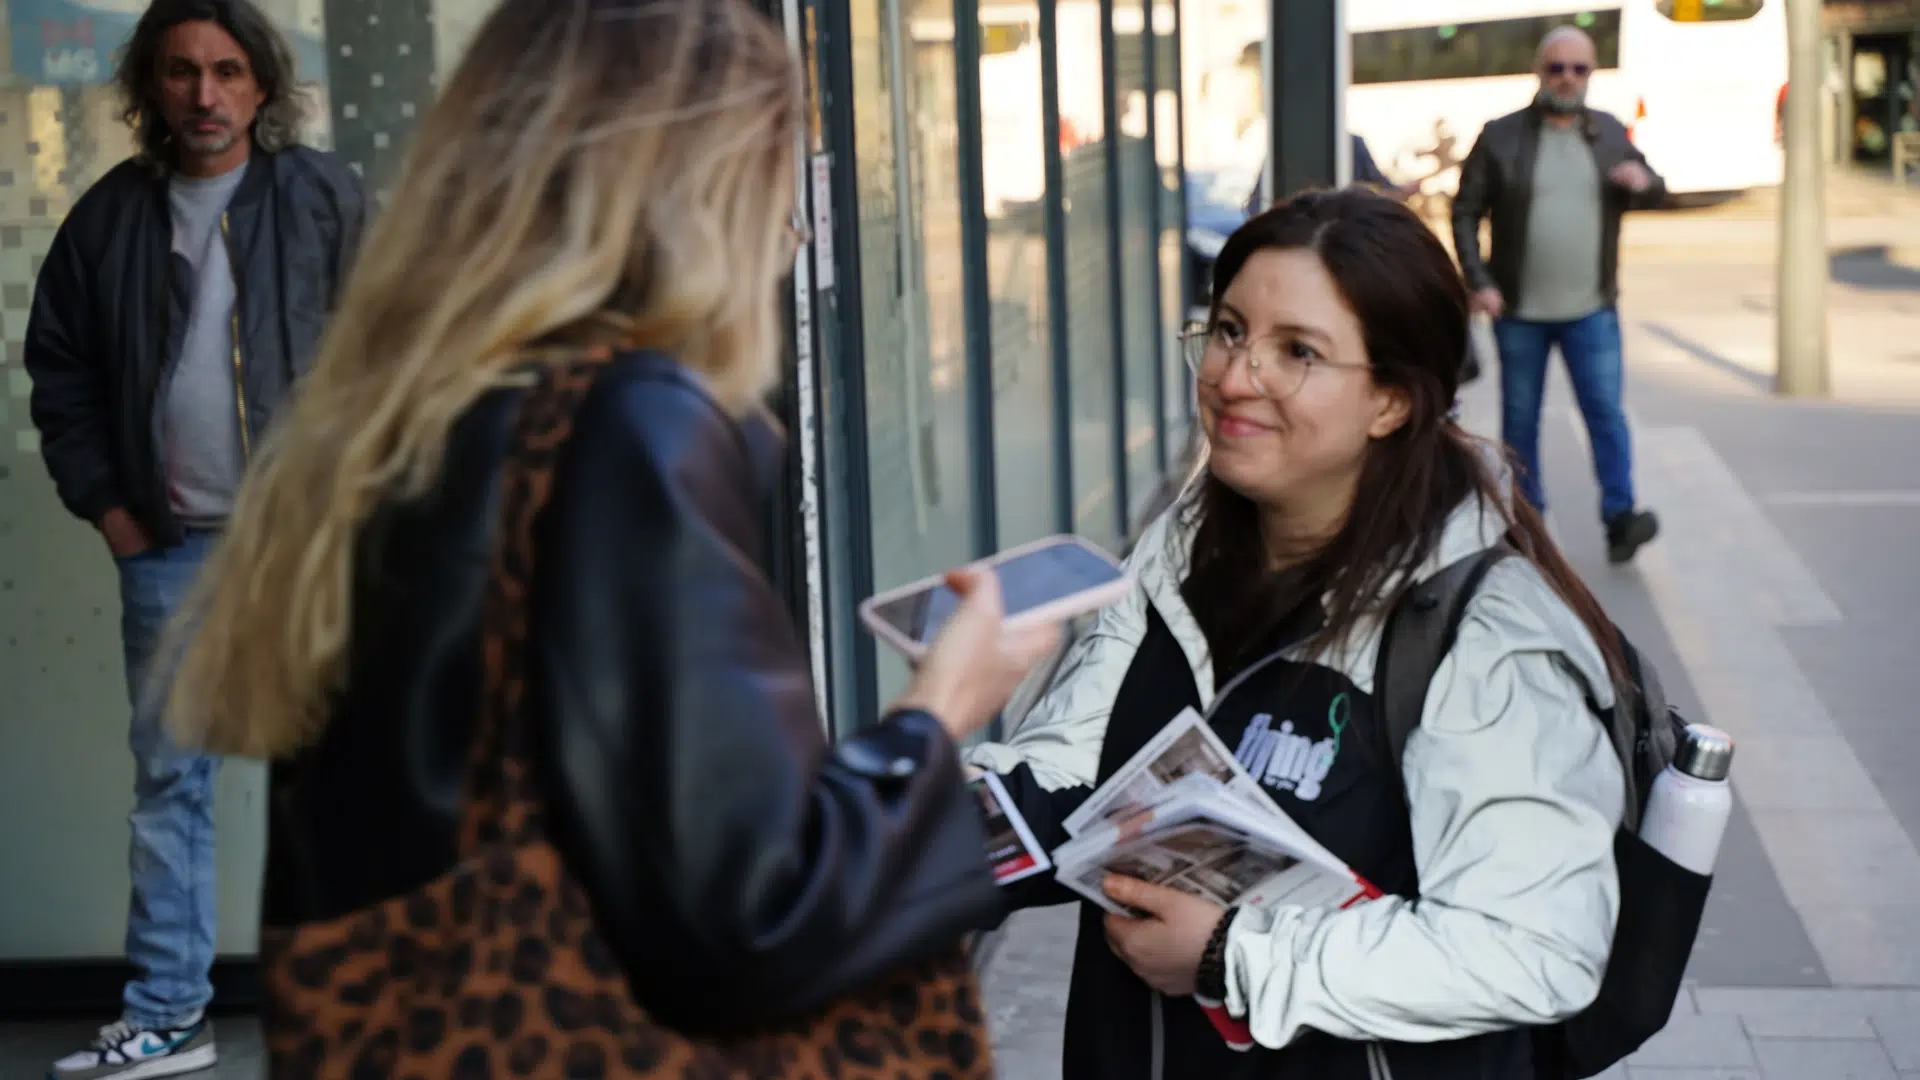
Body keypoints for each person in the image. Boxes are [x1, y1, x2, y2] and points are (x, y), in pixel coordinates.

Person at [156, 0, 1055, 1070]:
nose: (791, 224)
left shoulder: (390, 425)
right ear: (694, 188)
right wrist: (941, 707)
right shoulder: (627, 428)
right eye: (771, 169)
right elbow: (755, 913)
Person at [969, 188, 1628, 1080]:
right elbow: (1070, 769)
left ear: (1391, 401)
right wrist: (920, 801)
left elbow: (1536, 948)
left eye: (1298, 353)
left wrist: (1229, 955)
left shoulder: (1484, 635)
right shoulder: (1181, 547)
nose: (1237, 377)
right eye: (1231, 329)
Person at [24, 0, 364, 1074]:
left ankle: (357, 1008)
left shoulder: (323, 200)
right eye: (181, 73)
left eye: (226, 71)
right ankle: (169, 1012)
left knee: (340, 778)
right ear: (151, 88)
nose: (205, 95)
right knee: (173, 785)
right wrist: (117, 518)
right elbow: (61, 376)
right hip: (170, 547)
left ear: (262, 84)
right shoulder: (107, 219)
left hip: (305, 547)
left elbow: (392, 353)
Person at [1451, 25, 1663, 564]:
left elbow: (1655, 183)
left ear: (1590, 74)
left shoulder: (1610, 132)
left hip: (1592, 308)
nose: (1567, 79)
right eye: (1556, 68)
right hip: (1519, 311)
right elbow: (1465, 210)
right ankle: (1529, 524)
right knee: (1520, 423)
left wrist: (1642, 182)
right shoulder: (1501, 136)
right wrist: (1480, 281)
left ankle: (1620, 518)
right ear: (1539, 71)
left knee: (1606, 415)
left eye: (1579, 69)